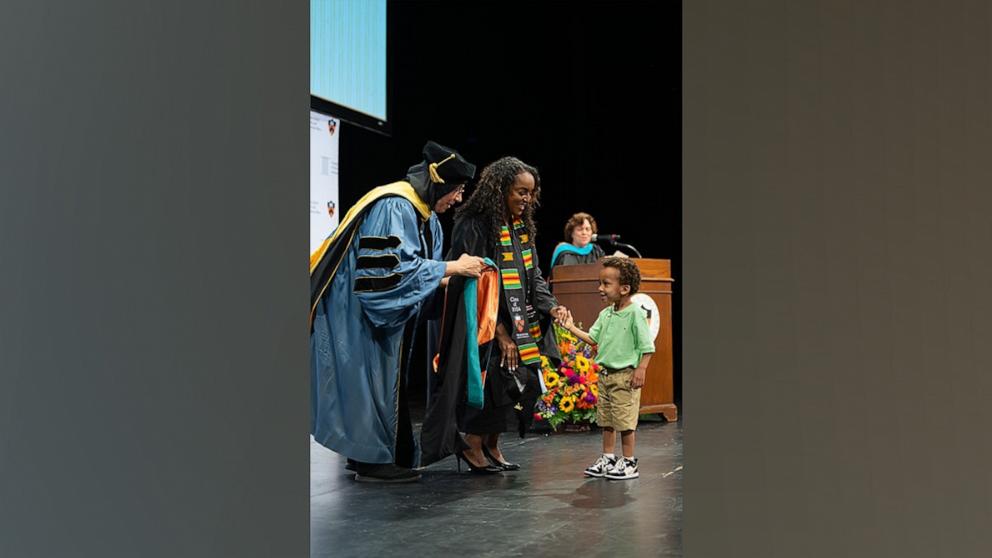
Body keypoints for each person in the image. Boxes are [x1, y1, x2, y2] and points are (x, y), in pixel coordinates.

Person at [309, 141, 485, 483]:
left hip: (375, 314)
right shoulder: (394, 205)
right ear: (440, 182)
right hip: (356, 310)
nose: (458, 199)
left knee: (373, 381)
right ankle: (370, 461)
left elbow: (411, 265)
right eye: (458, 190)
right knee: (362, 379)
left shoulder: (423, 213)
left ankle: (370, 456)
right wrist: (450, 268)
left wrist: (443, 279)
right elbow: (384, 275)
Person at [441, 156, 569, 473]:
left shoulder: (522, 228)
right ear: (500, 189)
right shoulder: (474, 225)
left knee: (517, 384)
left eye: (530, 193)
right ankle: (472, 442)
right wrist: (499, 332)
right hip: (483, 321)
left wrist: (552, 305)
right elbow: (473, 285)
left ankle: (492, 442)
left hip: (521, 321)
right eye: (520, 192)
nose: (526, 199)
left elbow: (533, 276)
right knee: (492, 383)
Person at [561, 256, 654, 480]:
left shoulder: (635, 315)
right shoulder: (606, 314)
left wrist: (641, 369)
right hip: (604, 376)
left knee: (625, 421)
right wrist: (570, 326)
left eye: (606, 284)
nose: (600, 288)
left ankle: (629, 462)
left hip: (624, 377)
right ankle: (608, 457)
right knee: (607, 420)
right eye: (600, 283)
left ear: (624, 288)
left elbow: (647, 346)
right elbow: (593, 339)